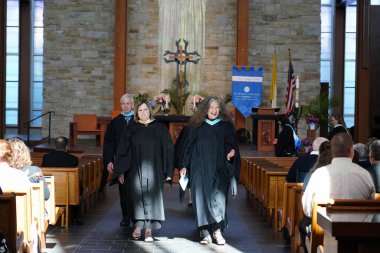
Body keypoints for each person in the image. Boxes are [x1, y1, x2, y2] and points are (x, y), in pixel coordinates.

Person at [178, 96, 239, 245]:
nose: (214, 110)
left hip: (219, 168)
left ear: (220, 110)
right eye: (211, 107)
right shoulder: (197, 126)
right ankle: (205, 232)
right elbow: (188, 147)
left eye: (216, 108)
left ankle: (217, 231)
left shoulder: (226, 126)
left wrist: (231, 151)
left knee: (219, 199)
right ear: (205, 109)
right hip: (199, 167)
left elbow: (231, 143)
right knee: (201, 200)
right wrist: (184, 165)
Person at [301, 133, 375, 253]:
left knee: (303, 226)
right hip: (359, 239)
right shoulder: (365, 175)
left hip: (326, 238)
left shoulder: (319, 174)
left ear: (332, 153)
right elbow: (371, 205)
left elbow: (308, 209)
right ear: (352, 151)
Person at [113, 100, 174, 242]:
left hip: (155, 170)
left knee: (153, 198)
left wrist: (168, 172)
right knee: (136, 198)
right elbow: (123, 150)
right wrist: (121, 171)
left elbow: (168, 150)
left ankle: (148, 230)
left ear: (150, 111)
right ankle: (138, 226)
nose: (143, 113)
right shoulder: (131, 128)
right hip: (135, 170)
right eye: (140, 110)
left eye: (145, 110)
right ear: (136, 113)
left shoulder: (160, 128)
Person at [100, 93, 135, 226]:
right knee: (123, 189)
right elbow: (109, 142)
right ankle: (126, 216)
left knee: (135, 189)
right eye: (123, 104)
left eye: (128, 104)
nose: (125, 106)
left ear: (132, 105)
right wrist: (109, 160)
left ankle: (136, 217)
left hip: (135, 160)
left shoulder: (137, 120)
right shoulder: (116, 122)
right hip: (121, 161)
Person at [41, 136, 81, 225]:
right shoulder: (73, 159)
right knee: (78, 186)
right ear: (66, 147)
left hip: (50, 190)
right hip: (68, 192)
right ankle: (75, 218)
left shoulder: (46, 157)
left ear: (55, 146)